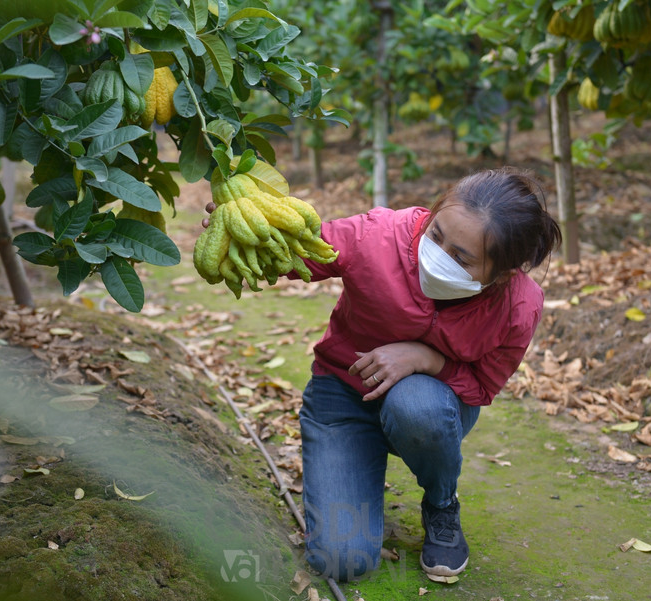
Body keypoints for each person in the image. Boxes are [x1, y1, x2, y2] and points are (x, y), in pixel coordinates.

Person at [206, 167, 561, 582]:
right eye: (436, 233)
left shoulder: (518, 307)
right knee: (342, 561)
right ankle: (350, 459)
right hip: (343, 399)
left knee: (417, 406)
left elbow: (483, 386)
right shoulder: (379, 236)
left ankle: (441, 504)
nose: (437, 252)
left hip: (431, 408)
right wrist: (239, 230)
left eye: (461, 257)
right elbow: (302, 251)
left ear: (500, 274)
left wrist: (425, 360)